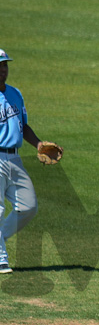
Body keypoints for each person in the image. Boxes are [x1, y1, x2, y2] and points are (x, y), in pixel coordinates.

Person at [0, 49, 45, 274]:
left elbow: (23, 125)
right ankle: (0, 259)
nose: (3, 69)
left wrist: (38, 145)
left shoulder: (15, 94)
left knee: (28, 206)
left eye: (5, 65)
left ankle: (0, 237)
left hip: (15, 159)